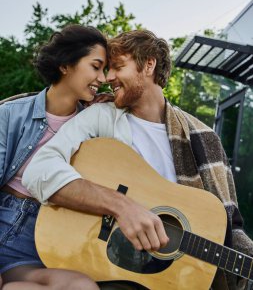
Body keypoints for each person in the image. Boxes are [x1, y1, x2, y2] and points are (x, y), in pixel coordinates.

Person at [23, 29, 253, 290]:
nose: (108, 78)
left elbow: (230, 228)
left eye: (118, 67)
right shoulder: (101, 117)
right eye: (107, 69)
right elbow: (39, 170)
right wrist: (121, 206)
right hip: (109, 268)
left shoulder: (204, 138)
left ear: (149, 64)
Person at [0, 24, 110, 289]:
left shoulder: (93, 126)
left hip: (47, 242)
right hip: (4, 222)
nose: (103, 78)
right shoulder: (11, 114)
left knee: (83, 287)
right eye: (96, 67)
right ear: (66, 65)